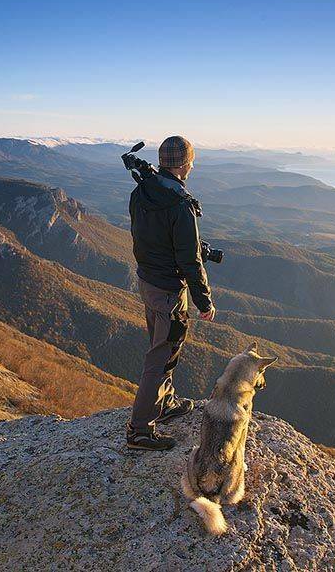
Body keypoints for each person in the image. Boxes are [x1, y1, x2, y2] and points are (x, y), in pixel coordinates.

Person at [126, 135, 215, 451]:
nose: (192, 165)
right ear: (185, 163)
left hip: (147, 282)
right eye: (191, 160)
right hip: (168, 291)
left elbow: (145, 235)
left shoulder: (142, 192)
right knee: (161, 357)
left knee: (159, 346)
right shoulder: (180, 205)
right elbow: (189, 259)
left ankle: (163, 404)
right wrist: (204, 300)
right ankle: (139, 430)